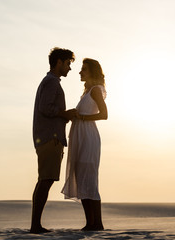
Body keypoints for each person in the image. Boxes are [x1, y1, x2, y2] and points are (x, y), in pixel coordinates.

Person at [30, 47, 77, 234]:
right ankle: (35, 225)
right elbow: (45, 108)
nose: (69, 68)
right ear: (59, 62)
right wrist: (65, 114)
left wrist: (64, 116)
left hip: (48, 137)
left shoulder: (50, 82)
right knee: (45, 180)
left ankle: (36, 224)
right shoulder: (51, 82)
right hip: (50, 138)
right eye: (68, 64)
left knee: (45, 180)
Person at [61, 58, 108, 231]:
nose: (80, 72)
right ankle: (91, 223)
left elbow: (104, 114)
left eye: (84, 69)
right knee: (82, 177)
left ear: (92, 72)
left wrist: (82, 117)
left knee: (89, 178)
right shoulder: (87, 92)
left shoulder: (95, 90)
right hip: (81, 136)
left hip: (88, 136)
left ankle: (97, 224)